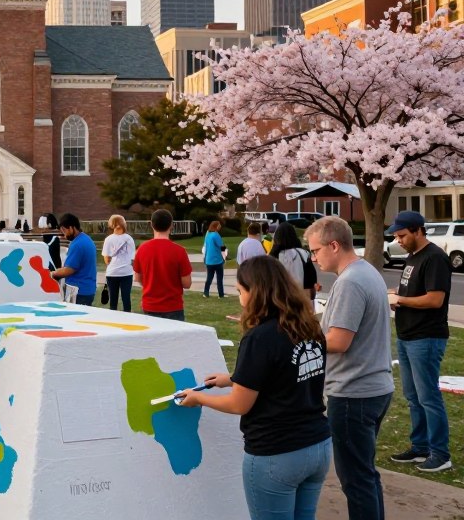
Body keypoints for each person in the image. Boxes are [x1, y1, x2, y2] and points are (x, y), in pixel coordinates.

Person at [179, 256, 331, 519]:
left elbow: (240, 404)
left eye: (240, 291)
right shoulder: (310, 327)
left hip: (277, 452)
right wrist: (234, 378)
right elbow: (288, 372)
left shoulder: (260, 337)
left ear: (257, 292)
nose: (239, 298)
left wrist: (198, 399)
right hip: (317, 446)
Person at [305, 216, 393, 520]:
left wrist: (297, 337)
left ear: (333, 245)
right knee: (365, 475)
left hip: (354, 394)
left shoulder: (350, 281)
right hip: (374, 388)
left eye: (315, 251)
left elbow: (339, 341)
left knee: (356, 480)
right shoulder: (366, 271)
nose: (313, 258)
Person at [385, 210, 453, 473]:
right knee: (413, 397)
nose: (398, 240)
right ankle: (420, 447)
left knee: (428, 397)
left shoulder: (435, 258)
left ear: (418, 230)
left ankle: (440, 453)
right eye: (396, 236)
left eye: (402, 235)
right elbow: (412, 291)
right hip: (407, 335)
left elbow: (435, 299)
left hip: (426, 337)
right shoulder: (413, 257)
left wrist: (400, 300)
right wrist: (395, 294)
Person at [133, 209, 192, 320]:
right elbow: (187, 283)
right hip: (173, 307)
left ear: (151, 225)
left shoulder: (142, 249)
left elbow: (138, 277)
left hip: (150, 305)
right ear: (171, 225)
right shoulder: (179, 251)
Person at [50, 213, 97, 306]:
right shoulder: (87, 239)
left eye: (64, 231)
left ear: (72, 228)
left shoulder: (77, 244)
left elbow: (69, 270)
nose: (64, 235)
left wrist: (53, 273)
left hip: (79, 291)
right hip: (88, 289)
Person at [102, 214, 135, 312]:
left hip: (112, 273)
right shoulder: (129, 239)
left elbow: (107, 260)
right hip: (127, 272)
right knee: (126, 299)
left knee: (113, 300)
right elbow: (132, 258)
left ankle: (114, 320)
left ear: (112, 224)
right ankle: (128, 319)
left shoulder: (108, 239)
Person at [269, 222, 308, 288]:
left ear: (277, 237)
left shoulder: (272, 257)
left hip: (278, 295)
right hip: (299, 294)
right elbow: (310, 284)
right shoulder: (304, 254)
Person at [202, 220, 227, 298]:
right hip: (217, 260)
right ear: (216, 226)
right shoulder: (216, 235)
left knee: (209, 277)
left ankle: (206, 293)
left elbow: (205, 247)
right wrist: (225, 256)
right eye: (219, 225)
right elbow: (221, 246)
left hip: (209, 260)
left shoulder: (208, 235)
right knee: (219, 278)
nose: (220, 226)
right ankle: (221, 294)